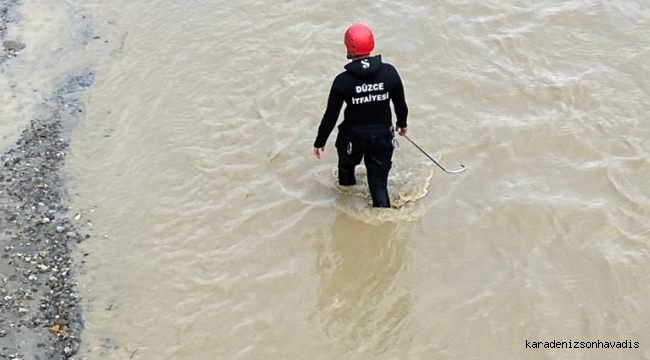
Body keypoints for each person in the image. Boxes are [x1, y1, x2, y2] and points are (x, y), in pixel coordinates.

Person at [313, 23, 409, 208]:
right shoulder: (389, 72)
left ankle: (344, 206)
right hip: (382, 137)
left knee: (346, 170)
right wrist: (402, 124)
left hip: (352, 139)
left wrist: (320, 141)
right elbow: (400, 104)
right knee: (379, 186)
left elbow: (331, 115)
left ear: (348, 47)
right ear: (372, 43)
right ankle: (383, 224)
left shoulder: (343, 81)